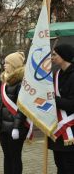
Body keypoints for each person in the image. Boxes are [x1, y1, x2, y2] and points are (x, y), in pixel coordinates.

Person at [0, 52, 29, 174]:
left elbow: (22, 107)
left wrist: (17, 127)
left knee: (15, 157)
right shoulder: (5, 80)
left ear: (14, 65)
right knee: (7, 156)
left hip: (16, 128)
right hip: (3, 126)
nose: (4, 64)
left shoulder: (22, 82)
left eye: (7, 63)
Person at [49, 44, 74, 174]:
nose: (52, 57)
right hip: (57, 128)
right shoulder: (57, 74)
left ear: (63, 56)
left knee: (69, 165)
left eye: (54, 54)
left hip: (71, 129)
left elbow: (72, 104)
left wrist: (52, 100)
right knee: (59, 164)